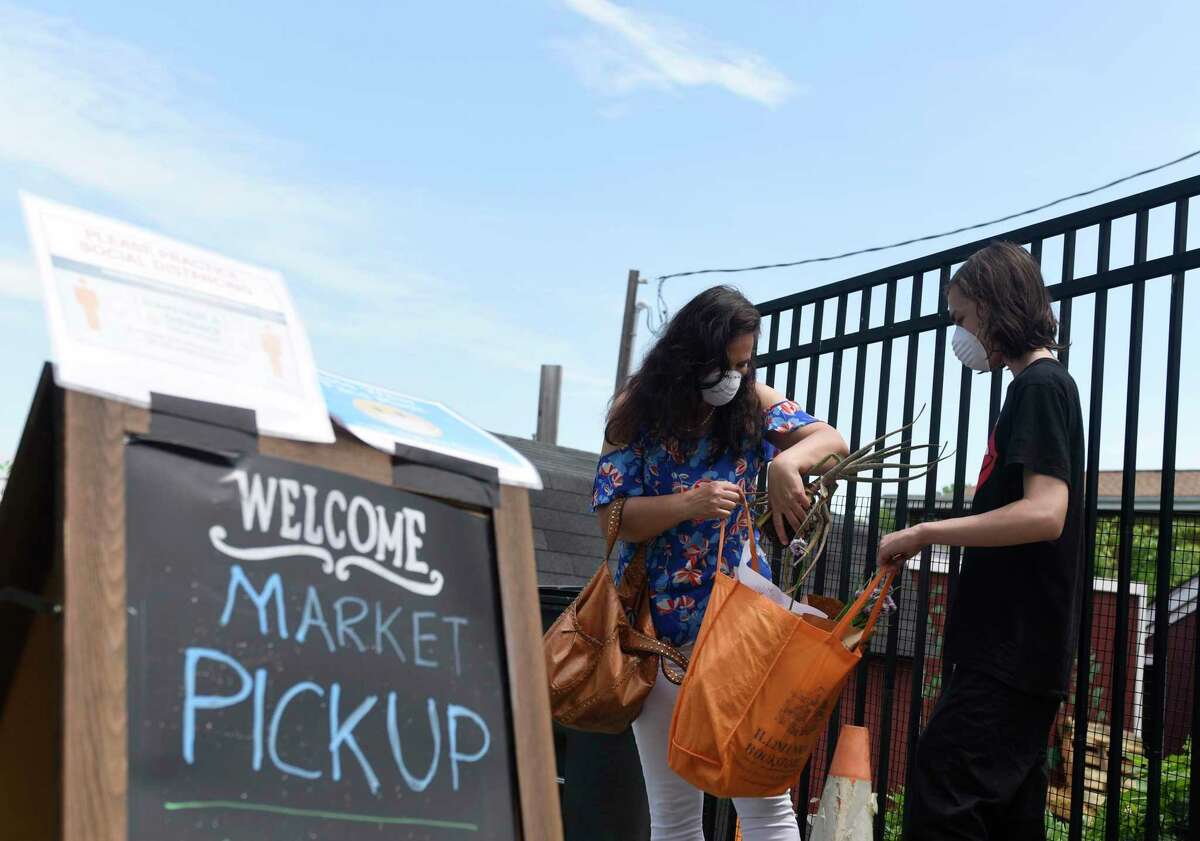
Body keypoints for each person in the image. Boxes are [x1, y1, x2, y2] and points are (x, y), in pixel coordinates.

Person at [593, 285, 849, 841]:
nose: (736, 375)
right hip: (654, 635)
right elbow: (612, 519)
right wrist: (689, 504)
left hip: (738, 629)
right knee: (675, 815)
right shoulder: (633, 413)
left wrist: (789, 465)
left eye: (745, 362)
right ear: (691, 355)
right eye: (727, 363)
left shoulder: (752, 401)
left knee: (764, 806)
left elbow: (831, 440)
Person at [877, 242, 1085, 840]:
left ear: (995, 307)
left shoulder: (1041, 386)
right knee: (1005, 816)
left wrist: (924, 532)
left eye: (962, 318)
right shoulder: (1035, 388)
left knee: (944, 794)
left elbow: (1046, 513)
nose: (960, 334)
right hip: (1013, 654)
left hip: (1011, 654)